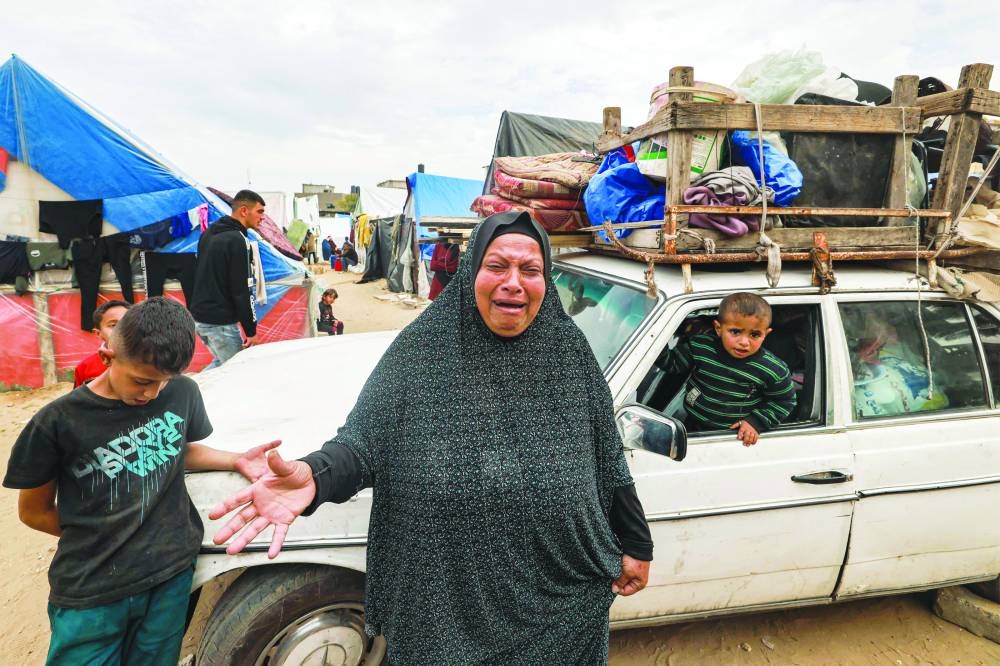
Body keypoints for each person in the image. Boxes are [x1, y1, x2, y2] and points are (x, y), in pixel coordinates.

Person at [209, 211, 653, 664]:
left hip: (558, 608)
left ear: (546, 279)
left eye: (531, 269)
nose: (514, 282)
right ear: (471, 270)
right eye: (497, 266)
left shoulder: (569, 353)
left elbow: (607, 460)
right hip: (444, 614)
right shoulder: (423, 352)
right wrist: (315, 476)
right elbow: (362, 445)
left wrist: (637, 544)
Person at [3, 297, 280, 666]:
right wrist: (99, 536)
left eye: (164, 383)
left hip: (170, 575)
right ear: (107, 355)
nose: (151, 394)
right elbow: (33, 512)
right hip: (93, 590)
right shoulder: (57, 422)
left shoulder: (182, 392)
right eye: (141, 381)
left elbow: (176, 446)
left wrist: (234, 458)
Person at [665, 292, 796, 446]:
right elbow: (673, 364)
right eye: (735, 332)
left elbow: (785, 400)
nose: (744, 342)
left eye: (755, 334)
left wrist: (755, 422)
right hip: (691, 423)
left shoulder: (773, 370)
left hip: (734, 436)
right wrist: (654, 344)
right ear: (718, 328)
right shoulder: (701, 346)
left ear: (766, 334)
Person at [188, 189, 264, 369]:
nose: (262, 218)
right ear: (244, 211)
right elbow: (241, 289)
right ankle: (189, 394)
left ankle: (193, 392)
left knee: (222, 366)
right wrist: (251, 330)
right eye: (259, 212)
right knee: (236, 370)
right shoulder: (237, 239)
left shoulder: (209, 233)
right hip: (219, 322)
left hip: (200, 317)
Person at [73, 299, 131, 387]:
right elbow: (79, 399)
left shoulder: (151, 360)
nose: (122, 329)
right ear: (98, 333)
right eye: (113, 325)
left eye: (127, 323)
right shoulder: (85, 367)